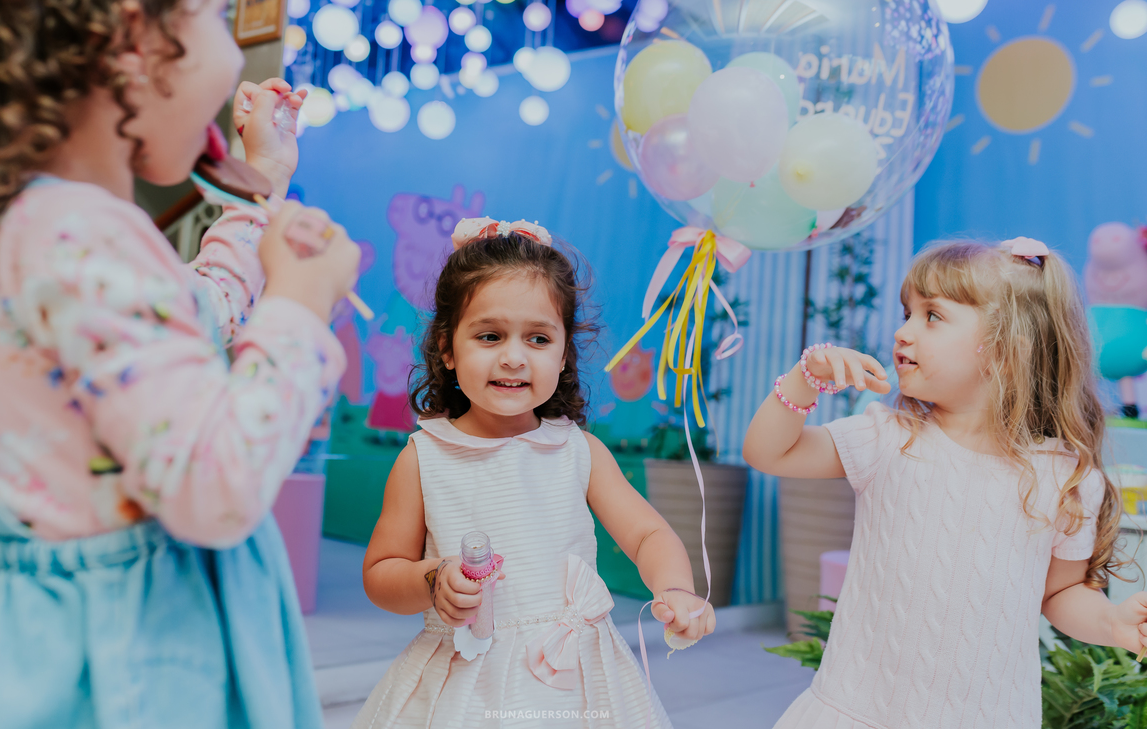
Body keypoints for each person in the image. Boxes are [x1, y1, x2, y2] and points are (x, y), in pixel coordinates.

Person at [0, 0, 361, 726]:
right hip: (128, 679)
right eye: (218, 12)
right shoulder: (78, 235)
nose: (238, 56)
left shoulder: (37, 230)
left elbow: (192, 315)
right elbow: (218, 482)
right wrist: (301, 310)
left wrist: (263, 188)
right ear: (136, 42)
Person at [744, 238, 1147, 729]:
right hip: (856, 709)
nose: (903, 332)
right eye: (906, 312)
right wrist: (806, 376)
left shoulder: (1067, 478)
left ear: (1006, 346)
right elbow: (768, 452)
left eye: (931, 316)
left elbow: (1057, 596)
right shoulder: (886, 438)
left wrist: (1112, 623)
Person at [352, 218, 715, 727]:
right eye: (490, 335)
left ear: (565, 353)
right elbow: (381, 572)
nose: (514, 357)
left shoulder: (576, 450)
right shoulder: (423, 456)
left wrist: (675, 587)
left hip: (573, 674)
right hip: (465, 675)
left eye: (539, 339)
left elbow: (647, 533)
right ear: (447, 348)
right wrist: (433, 580)